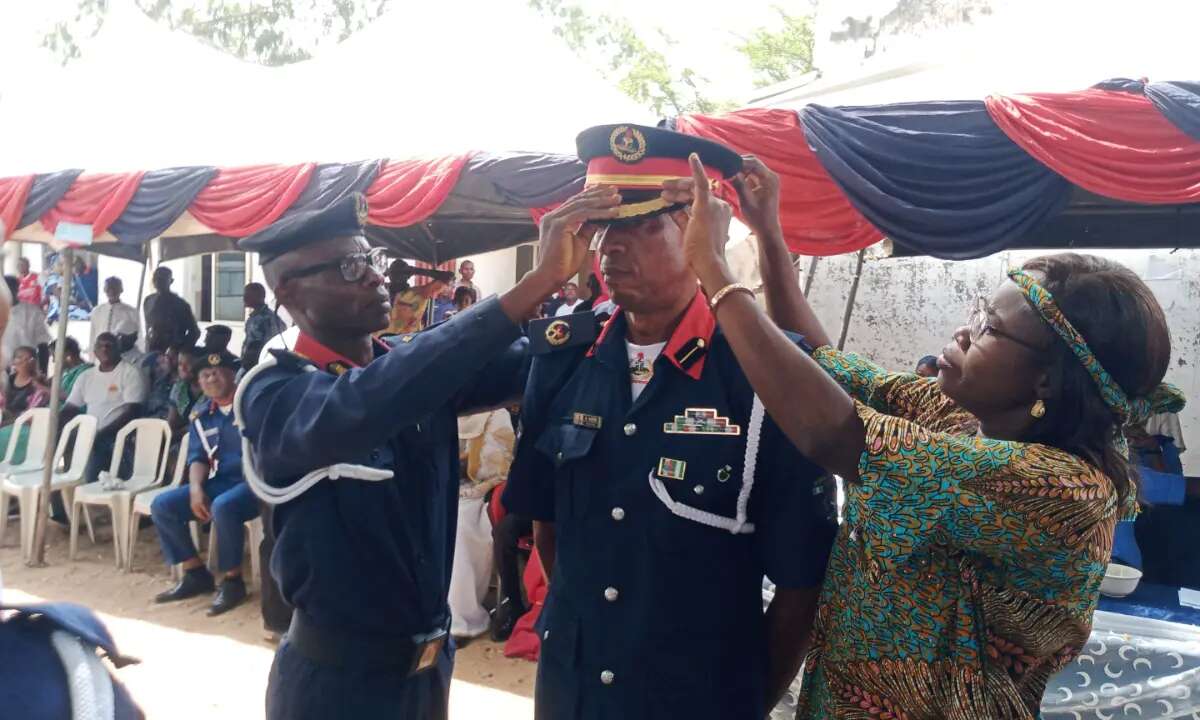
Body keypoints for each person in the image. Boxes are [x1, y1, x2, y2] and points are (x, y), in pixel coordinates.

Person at [665, 152, 1186, 719]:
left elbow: (833, 433)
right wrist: (768, 231)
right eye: (980, 309)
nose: (967, 327)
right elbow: (823, 365)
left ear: (1046, 379)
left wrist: (714, 272)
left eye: (992, 328)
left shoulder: (1059, 491)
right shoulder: (963, 418)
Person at [502, 124, 836, 719]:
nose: (610, 246)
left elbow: (800, 585)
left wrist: (743, 702)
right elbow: (548, 526)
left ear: (696, 228)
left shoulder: (763, 374)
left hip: (697, 696)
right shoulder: (561, 357)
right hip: (573, 692)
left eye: (641, 222)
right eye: (605, 225)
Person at [235, 191, 593, 720]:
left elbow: (534, 367)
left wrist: (608, 309)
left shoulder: (407, 366)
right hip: (338, 688)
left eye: (373, 262)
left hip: (427, 674)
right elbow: (367, 400)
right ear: (285, 288)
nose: (377, 279)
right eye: (351, 266)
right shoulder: (275, 394)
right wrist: (529, 286)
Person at [151, 350, 259, 616]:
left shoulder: (250, 405)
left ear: (232, 375)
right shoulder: (202, 416)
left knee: (223, 506)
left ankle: (233, 581)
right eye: (205, 374)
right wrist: (197, 488)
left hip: (256, 482)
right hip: (222, 481)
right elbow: (198, 457)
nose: (212, 378)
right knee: (163, 505)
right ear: (199, 382)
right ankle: (195, 573)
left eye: (218, 371)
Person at [448, 408, 516, 640]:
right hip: (437, 488)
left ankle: (460, 620)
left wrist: (460, 464)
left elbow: (495, 469)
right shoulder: (439, 407)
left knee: (461, 526)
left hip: (477, 491)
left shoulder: (495, 415)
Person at [62, 332, 148, 484]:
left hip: (117, 436)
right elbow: (70, 408)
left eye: (109, 346)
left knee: (94, 452)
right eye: (100, 346)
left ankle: (89, 491)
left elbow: (132, 412)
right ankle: (66, 498)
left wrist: (100, 434)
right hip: (90, 434)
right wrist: (55, 424)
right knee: (60, 445)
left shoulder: (130, 373)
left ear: (118, 349)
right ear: (94, 351)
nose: (105, 349)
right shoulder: (86, 376)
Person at [0, 346, 50, 463]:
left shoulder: (38, 384)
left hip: (24, 427)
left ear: (33, 362)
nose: (23, 362)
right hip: (5, 421)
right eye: (19, 358)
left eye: (28, 359)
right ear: (13, 361)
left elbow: (34, 415)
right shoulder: (8, 380)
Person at [143, 266, 201, 352]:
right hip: (151, 350)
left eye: (162, 278)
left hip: (172, 353)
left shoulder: (180, 304)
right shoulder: (148, 301)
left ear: (171, 281)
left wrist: (180, 349)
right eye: (155, 278)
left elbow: (195, 332)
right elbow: (148, 326)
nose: (157, 281)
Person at [1, 276, 50, 372]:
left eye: (10, 288)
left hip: (27, 371)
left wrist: (43, 371)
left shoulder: (32, 312)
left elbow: (43, 346)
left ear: (17, 289)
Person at [90, 276, 140, 359]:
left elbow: (139, 339)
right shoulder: (97, 311)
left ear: (121, 290)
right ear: (104, 290)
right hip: (100, 359)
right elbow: (92, 338)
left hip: (124, 358)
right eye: (109, 288)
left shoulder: (131, 312)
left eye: (115, 288)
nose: (112, 291)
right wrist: (92, 360)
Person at [242, 282, 287, 371]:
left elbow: (272, 346)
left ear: (259, 296)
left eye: (248, 295)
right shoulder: (254, 317)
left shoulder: (268, 319)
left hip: (259, 367)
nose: (244, 298)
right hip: (249, 365)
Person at [166, 347, 204, 437]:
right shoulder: (179, 387)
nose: (182, 368)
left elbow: (200, 426)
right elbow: (171, 422)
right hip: (180, 438)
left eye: (188, 364)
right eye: (180, 364)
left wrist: (175, 436)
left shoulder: (213, 391)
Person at [52, 336, 93, 401]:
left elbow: (70, 397)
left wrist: (40, 387)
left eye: (54, 356)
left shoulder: (86, 371)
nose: (53, 361)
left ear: (68, 354)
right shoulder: (68, 371)